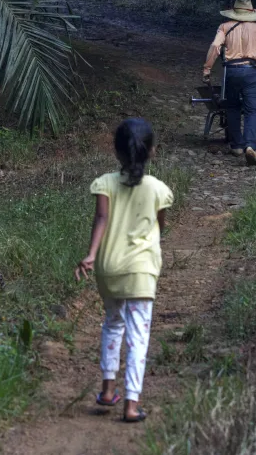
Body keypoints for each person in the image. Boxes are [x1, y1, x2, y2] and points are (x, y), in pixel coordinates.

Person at [75, 118, 173, 423]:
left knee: (113, 324)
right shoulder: (159, 189)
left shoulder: (105, 184)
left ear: (117, 152)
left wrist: (90, 255)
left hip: (109, 268)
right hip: (141, 271)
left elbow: (101, 220)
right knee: (138, 337)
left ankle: (107, 391)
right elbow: (161, 226)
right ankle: (131, 404)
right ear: (152, 151)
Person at [202, 0, 256, 166]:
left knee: (232, 107)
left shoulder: (224, 27)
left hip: (231, 71)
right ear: (251, 11)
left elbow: (216, 46)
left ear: (234, 11)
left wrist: (207, 69)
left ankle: (237, 146)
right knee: (252, 110)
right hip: (251, 72)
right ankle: (250, 146)